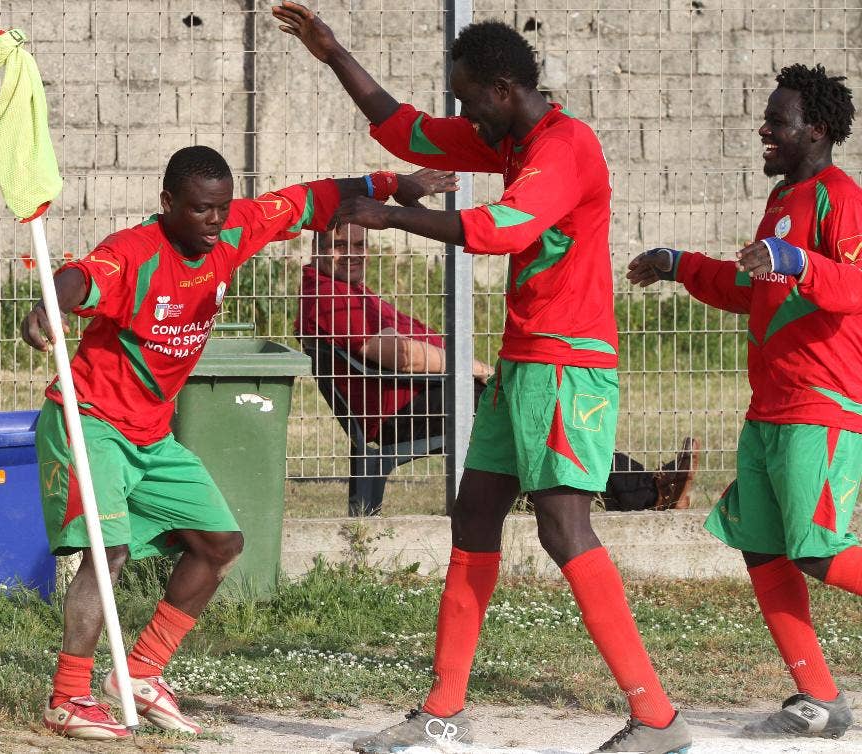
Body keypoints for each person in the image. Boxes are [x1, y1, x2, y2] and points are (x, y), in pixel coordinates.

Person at [272, 5, 691, 753]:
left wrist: (394, 218)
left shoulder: (564, 148)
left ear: (502, 88)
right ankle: (443, 710)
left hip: (567, 367)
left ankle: (656, 716)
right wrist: (332, 53)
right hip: (525, 364)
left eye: (469, 99)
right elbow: (409, 131)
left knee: (565, 531)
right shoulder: (511, 133)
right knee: (473, 520)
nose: (462, 114)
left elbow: (505, 230)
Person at [20, 145, 448, 740]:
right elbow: (83, 276)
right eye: (200, 211)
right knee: (108, 552)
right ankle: (68, 697)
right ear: (168, 203)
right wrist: (49, 302)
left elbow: (309, 200)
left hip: (151, 433)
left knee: (220, 544)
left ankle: (138, 674)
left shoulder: (230, 231)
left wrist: (394, 181)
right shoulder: (135, 253)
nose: (215, 223)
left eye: (222, 209)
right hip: (90, 422)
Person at [628, 63, 861, 741]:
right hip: (770, 410)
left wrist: (795, 263)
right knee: (761, 547)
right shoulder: (783, 200)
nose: (764, 130)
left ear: (814, 130)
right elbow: (750, 286)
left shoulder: (838, 195)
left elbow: (851, 285)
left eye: (777, 121)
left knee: (816, 552)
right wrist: (679, 265)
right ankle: (818, 699)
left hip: (821, 406)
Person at [299, 222, 701, 515]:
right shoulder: (328, 294)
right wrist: (472, 368)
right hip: (408, 408)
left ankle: (637, 488)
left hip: (421, 396)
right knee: (532, 415)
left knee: (535, 413)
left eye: (358, 243)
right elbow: (402, 356)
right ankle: (647, 491)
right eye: (338, 245)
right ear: (316, 250)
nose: (352, 253)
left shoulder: (343, 289)